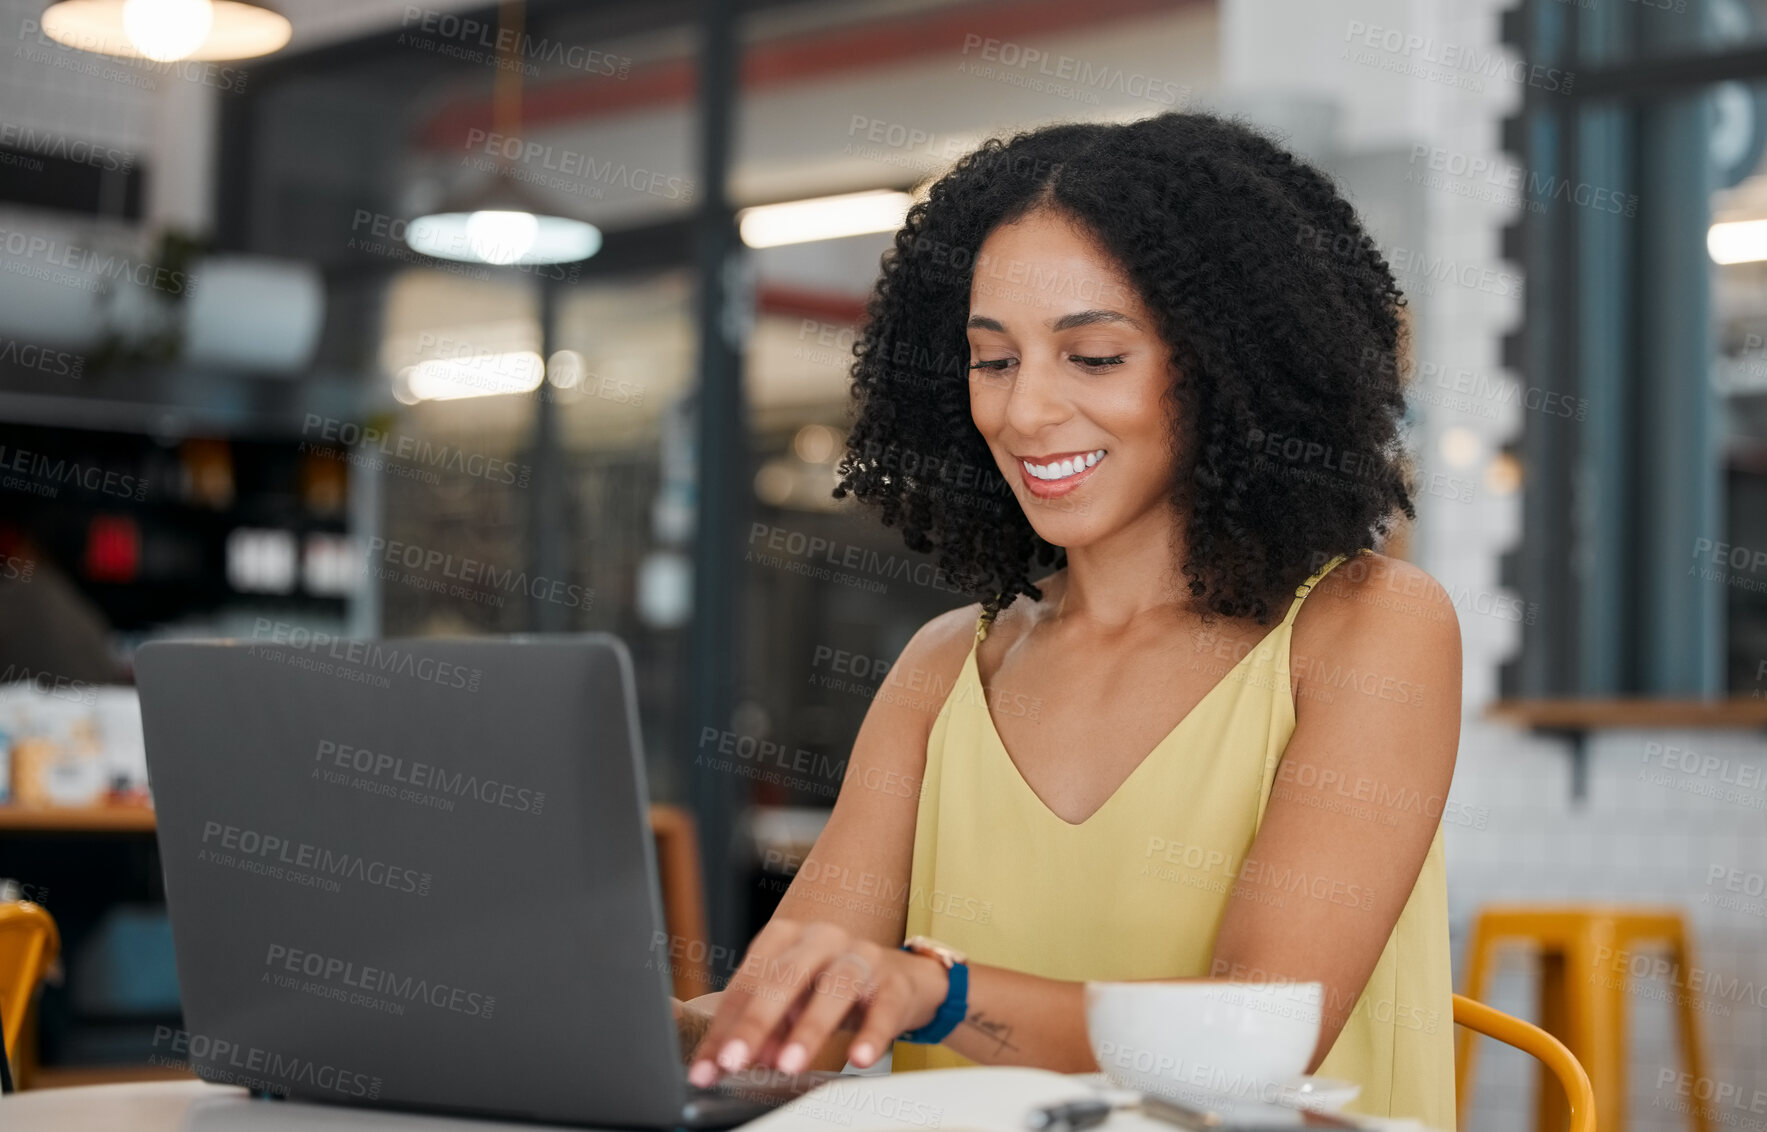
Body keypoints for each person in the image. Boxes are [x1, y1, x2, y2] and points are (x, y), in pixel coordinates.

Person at [674, 110, 1461, 1128]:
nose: (1025, 410)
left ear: (1229, 374)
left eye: (1092, 357)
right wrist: (605, 1020)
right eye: (992, 360)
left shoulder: (1371, 628)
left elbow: (1260, 1036)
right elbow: (799, 1024)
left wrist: (936, 991)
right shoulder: (948, 664)